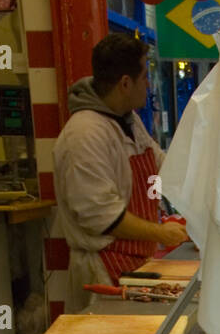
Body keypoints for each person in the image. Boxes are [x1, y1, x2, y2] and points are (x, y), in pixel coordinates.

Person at [53, 34, 188, 311]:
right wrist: (161, 233)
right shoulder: (85, 134)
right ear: (125, 83)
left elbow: (162, 166)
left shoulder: (129, 120)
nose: (148, 85)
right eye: (144, 77)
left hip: (137, 264)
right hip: (103, 268)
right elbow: (103, 217)